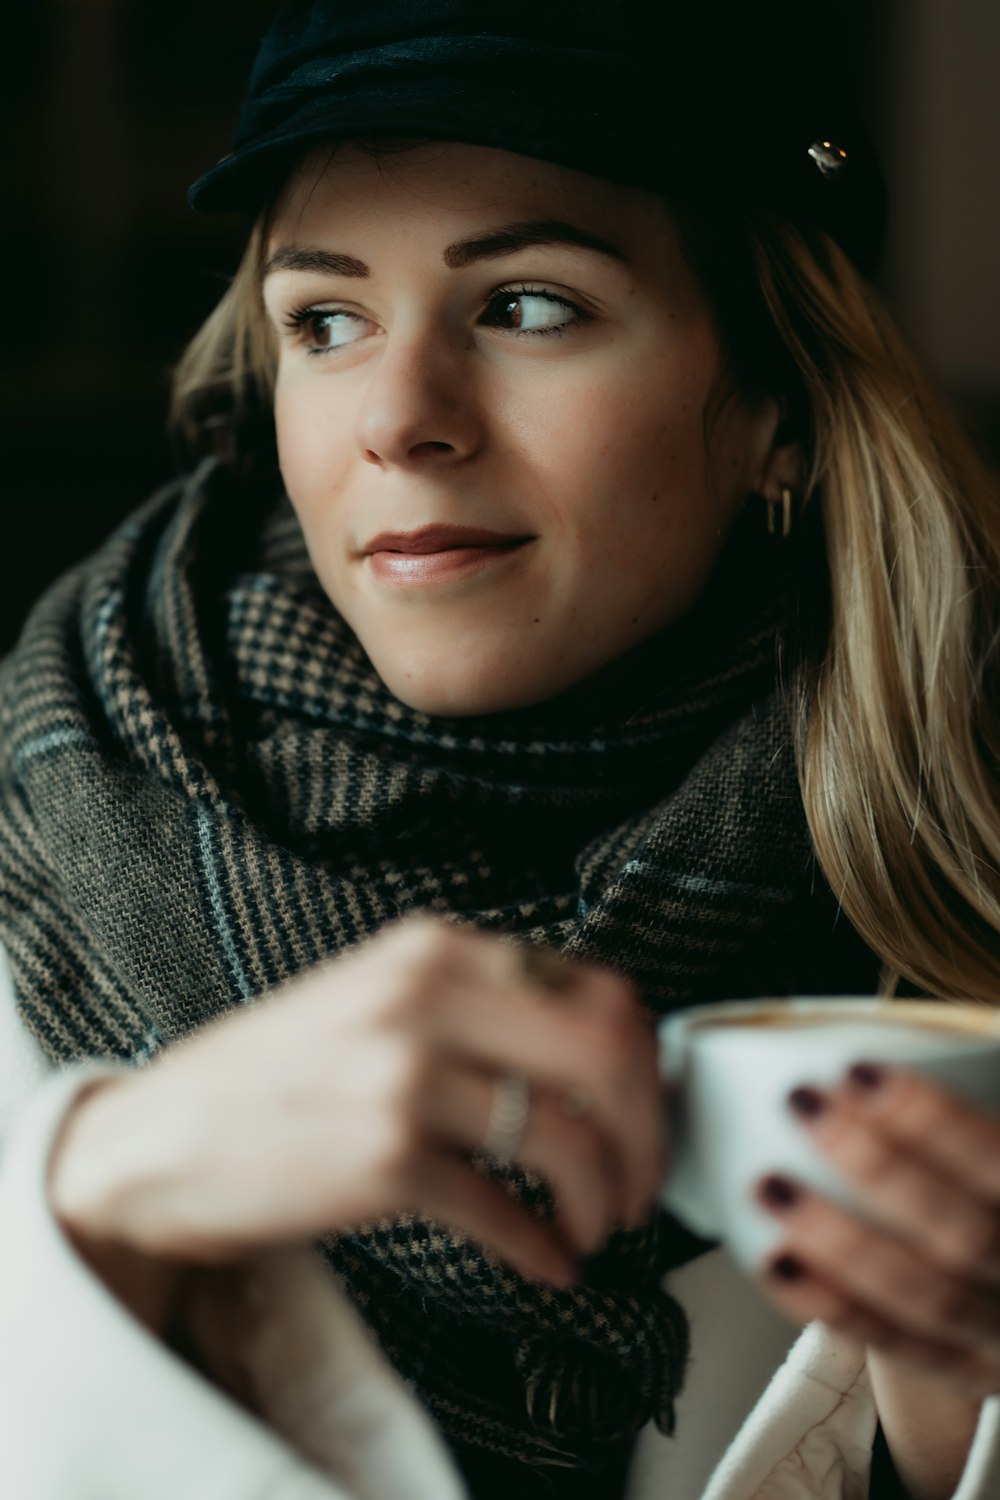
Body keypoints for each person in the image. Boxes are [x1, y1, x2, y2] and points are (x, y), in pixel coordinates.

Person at [1, 3, 999, 1498]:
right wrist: (104, 1193)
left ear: (777, 409)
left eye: (531, 305)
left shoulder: (958, 869)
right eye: (324, 322)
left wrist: (954, 1413)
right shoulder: (57, 810)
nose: (400, 420)